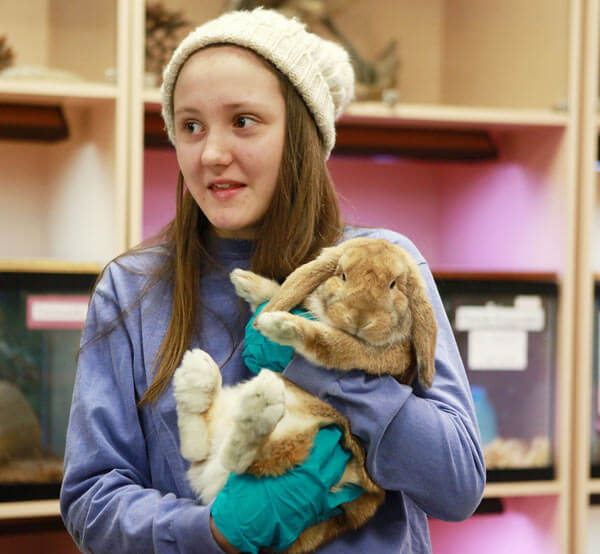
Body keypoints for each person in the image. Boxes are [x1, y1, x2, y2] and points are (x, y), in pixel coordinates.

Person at [60, 7, 485, 554]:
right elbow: (91, 499)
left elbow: (458, 486)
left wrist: (322, 364)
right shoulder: (132, 288)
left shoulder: (383, 264)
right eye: (191, 126)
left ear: (301, 134)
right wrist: (213, 532)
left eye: (243, 121)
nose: (212, 154)